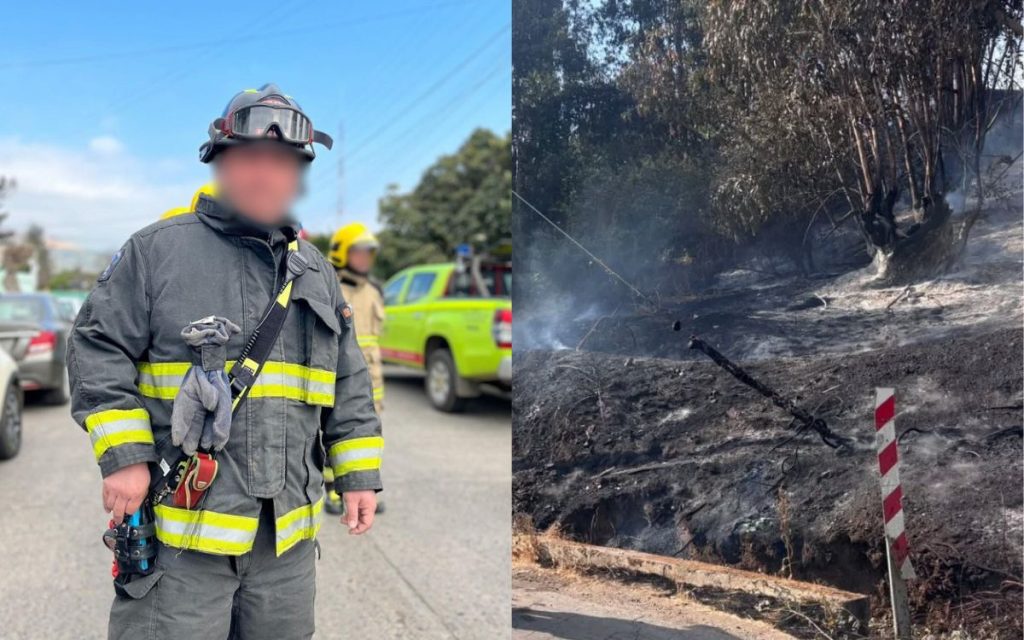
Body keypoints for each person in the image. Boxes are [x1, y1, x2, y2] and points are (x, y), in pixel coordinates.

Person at [68, 83, 383, 640]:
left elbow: (349, 381)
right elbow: (97, 348)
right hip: (182, 542)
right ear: (221, 164)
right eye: (252, 159)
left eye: (284, 163)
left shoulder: (314, 272)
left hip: (285, 544)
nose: (267, 175)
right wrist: (123, 456)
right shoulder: (156, 251)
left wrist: (357, 475)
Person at [324, 223, 386, 515]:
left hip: (371, 381)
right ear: (342, 253)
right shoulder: (328, 286)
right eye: (358, 252)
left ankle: (364, 487)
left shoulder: (373, 291)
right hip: (340, 376)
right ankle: (334, 491)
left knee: (367, 438)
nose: (364, 259)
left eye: (368, 253)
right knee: (333, 439)